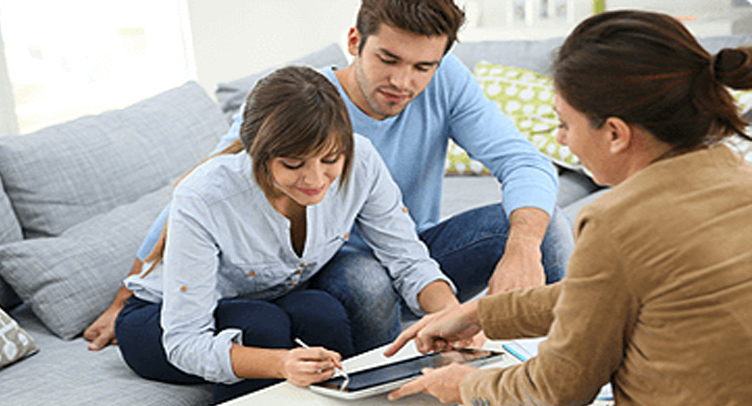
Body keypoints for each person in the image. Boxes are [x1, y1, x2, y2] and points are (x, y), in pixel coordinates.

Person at [384, 10, 752, 406]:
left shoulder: (616, 220)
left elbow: (559, 385)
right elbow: (611, 294)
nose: (561, 140)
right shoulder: (737, 175)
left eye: (564, 124)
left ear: (615, 133)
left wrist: (466, 385)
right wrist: (483, 311)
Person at [210, 0, 575, 353]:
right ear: (355, 41)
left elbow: (525, 162)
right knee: (368, 280)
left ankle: (560, 366)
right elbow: (215, 181)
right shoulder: (304, 100)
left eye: (423, 67)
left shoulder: (446, 80)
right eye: (388, 59)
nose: (402, 81)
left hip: (413, 251)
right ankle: (394, 381)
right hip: (334, 267)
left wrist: (523, 248)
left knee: (544, 228)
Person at [114, 65, 460, 404]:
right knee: (261, 328)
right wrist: (281, 364)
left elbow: (408, 259)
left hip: (262, 301)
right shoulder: (205, 195)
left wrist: (453, 317)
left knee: (323, 313)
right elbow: (185, 342)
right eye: (294, 164)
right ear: (257, 154)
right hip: (160, 320)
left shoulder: (362, 160)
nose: (315, 179)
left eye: (330, 159)